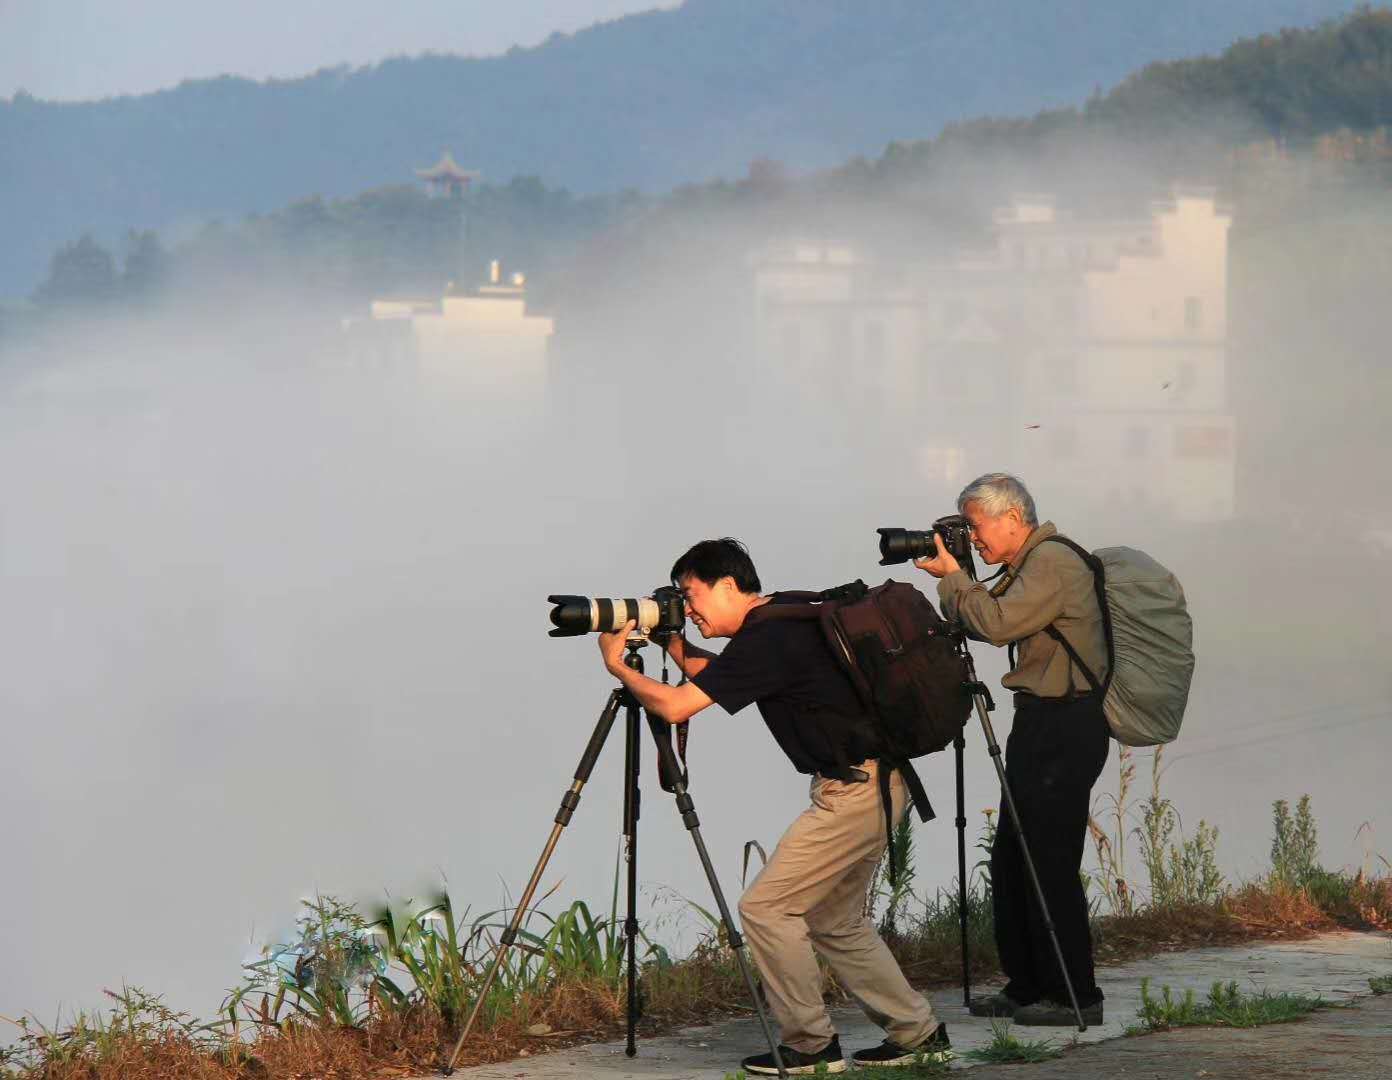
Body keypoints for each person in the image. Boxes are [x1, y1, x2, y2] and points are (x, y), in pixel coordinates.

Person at [597, 538, 950, 1074]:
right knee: (835, 919)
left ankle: (809, 1045)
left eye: (691, 596)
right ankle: (917, 1034)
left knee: (765, 908)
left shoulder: (767, 641)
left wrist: (618, 667)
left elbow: (673, 706)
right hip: (878, 782)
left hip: (853, 793)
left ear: (729, 585)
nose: (688, 609)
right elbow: (726, 677)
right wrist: (673, 647)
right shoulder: (781, 620)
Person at [914, 473, 1109, 1026]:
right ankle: (1027, 986)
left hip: (1065, 724)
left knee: (1048, 861)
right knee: (1013, 859)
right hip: (1042, 721)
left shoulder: (1052, 562)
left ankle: (1075, 996)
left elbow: (997, 625)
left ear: (1013, 519)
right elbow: (982, 617)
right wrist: (955, 579)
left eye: (975, 526)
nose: (972, 538)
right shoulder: (1027, 566)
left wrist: (954, 579)